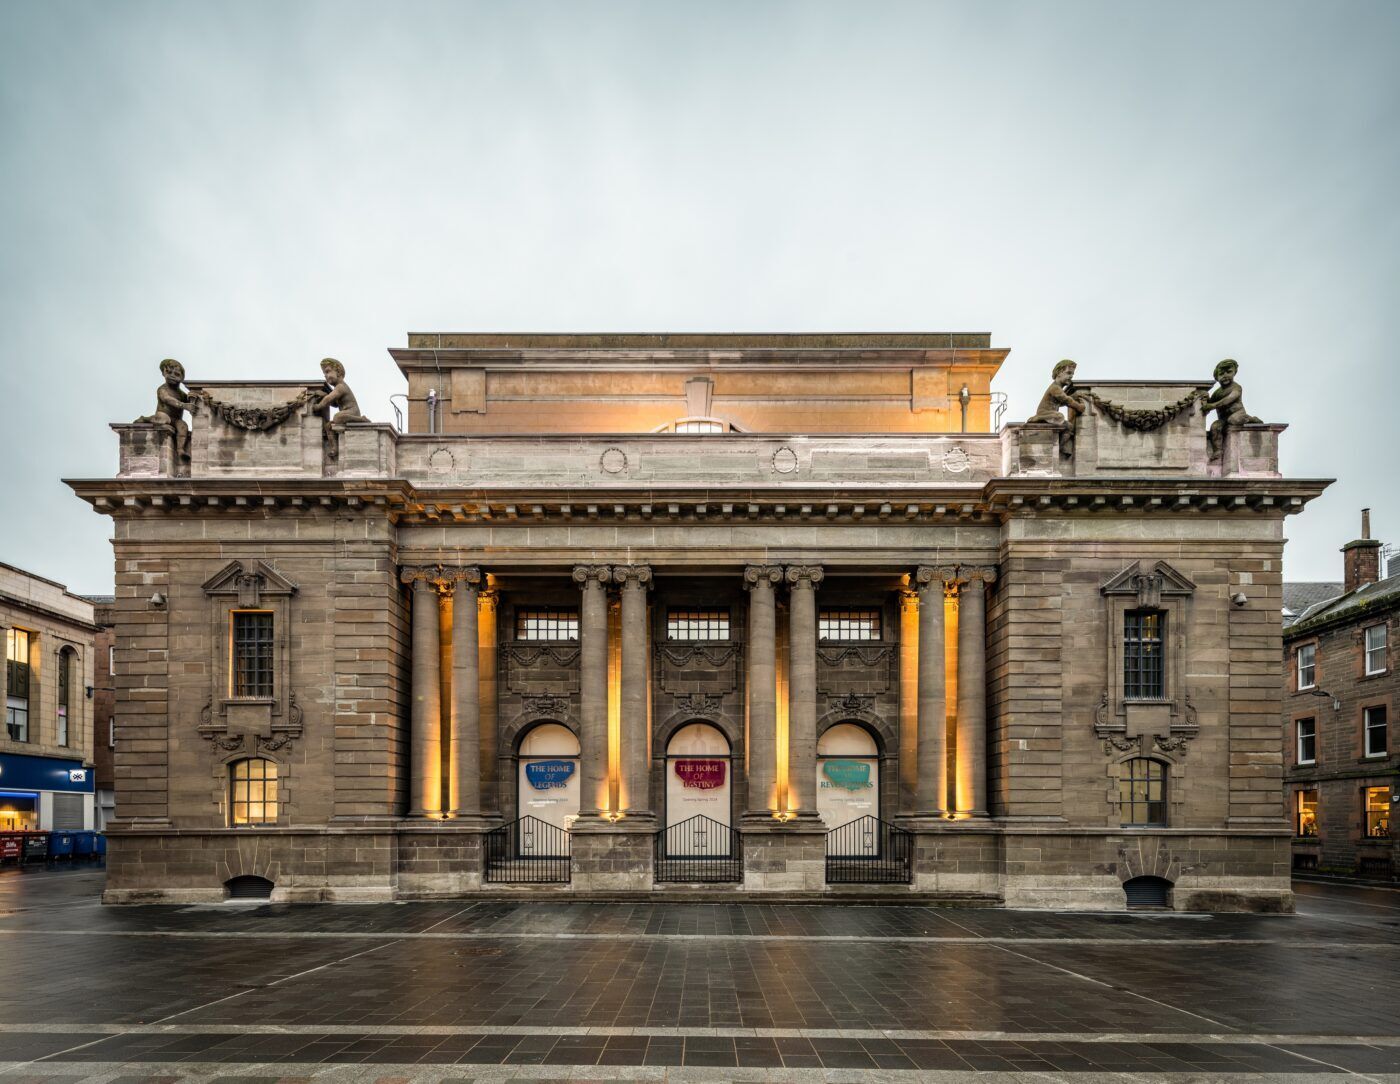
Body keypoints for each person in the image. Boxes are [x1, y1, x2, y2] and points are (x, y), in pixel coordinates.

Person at [1028, 359, 1089, 457]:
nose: (1071, 377)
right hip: (1045, 413)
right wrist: (1078, 406)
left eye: (1072, 374)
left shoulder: (1058, 388)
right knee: (1060, 416)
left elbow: (1061, 402)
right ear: (1059, 373)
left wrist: (1075, 395)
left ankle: (1061, 446)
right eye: (1068, 373)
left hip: (1051, 414)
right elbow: (1066, 400)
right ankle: (1058, 446)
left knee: (1069, 427)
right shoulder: (1055, 388)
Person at [135, 358, 192, 462]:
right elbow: (167, 399)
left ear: (182, 377)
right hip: (164, 414)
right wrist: (183, 405)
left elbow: (191, 402)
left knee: (183, 426)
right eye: (169, 372)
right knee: (163, 420)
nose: (172, 376)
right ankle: (145, 419)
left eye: (176, 374)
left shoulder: (182, 394)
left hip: (176, 419)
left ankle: (180, 450)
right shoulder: (163, 389)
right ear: (163, 373)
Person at [1203, 359, 1260, 460]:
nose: (1225, 375)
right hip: (1223, 418)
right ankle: (1218, 450)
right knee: (1215, 427)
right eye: (1221, 374)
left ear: (1234, 372)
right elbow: (1208, 404)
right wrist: (1204, 400)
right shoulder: (1217, 393)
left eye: (1229, 372)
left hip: (1238, 413)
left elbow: (1228, 400)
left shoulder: (1236, 387)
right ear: (1217, 377)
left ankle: (1250, 418)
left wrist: (1212, 406)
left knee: (1233, 420)